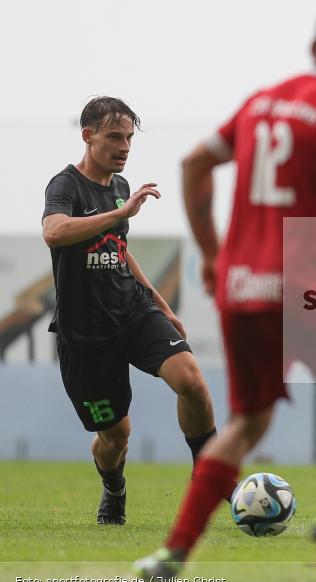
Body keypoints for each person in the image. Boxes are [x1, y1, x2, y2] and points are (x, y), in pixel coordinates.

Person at [134, 6, 316, 582]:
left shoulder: (261, 100)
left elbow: (195, 163)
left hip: (242, 288)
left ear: (313, 45)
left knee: (247, 422)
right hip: (304, 285)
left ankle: (171, 555)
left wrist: (214, 253)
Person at [41, 97, 218, 526]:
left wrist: (159, 301)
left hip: (134, 312)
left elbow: (119, 248)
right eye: (114, 137)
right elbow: (54, 232)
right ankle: (114, 489)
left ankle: (209, 481)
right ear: (88, 136)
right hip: (85, 335)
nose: (124, 147)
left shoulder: (121, 186)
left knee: (191, 380)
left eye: (129, 139)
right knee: (115, 435)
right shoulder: (65, 186)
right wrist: (119, 212)